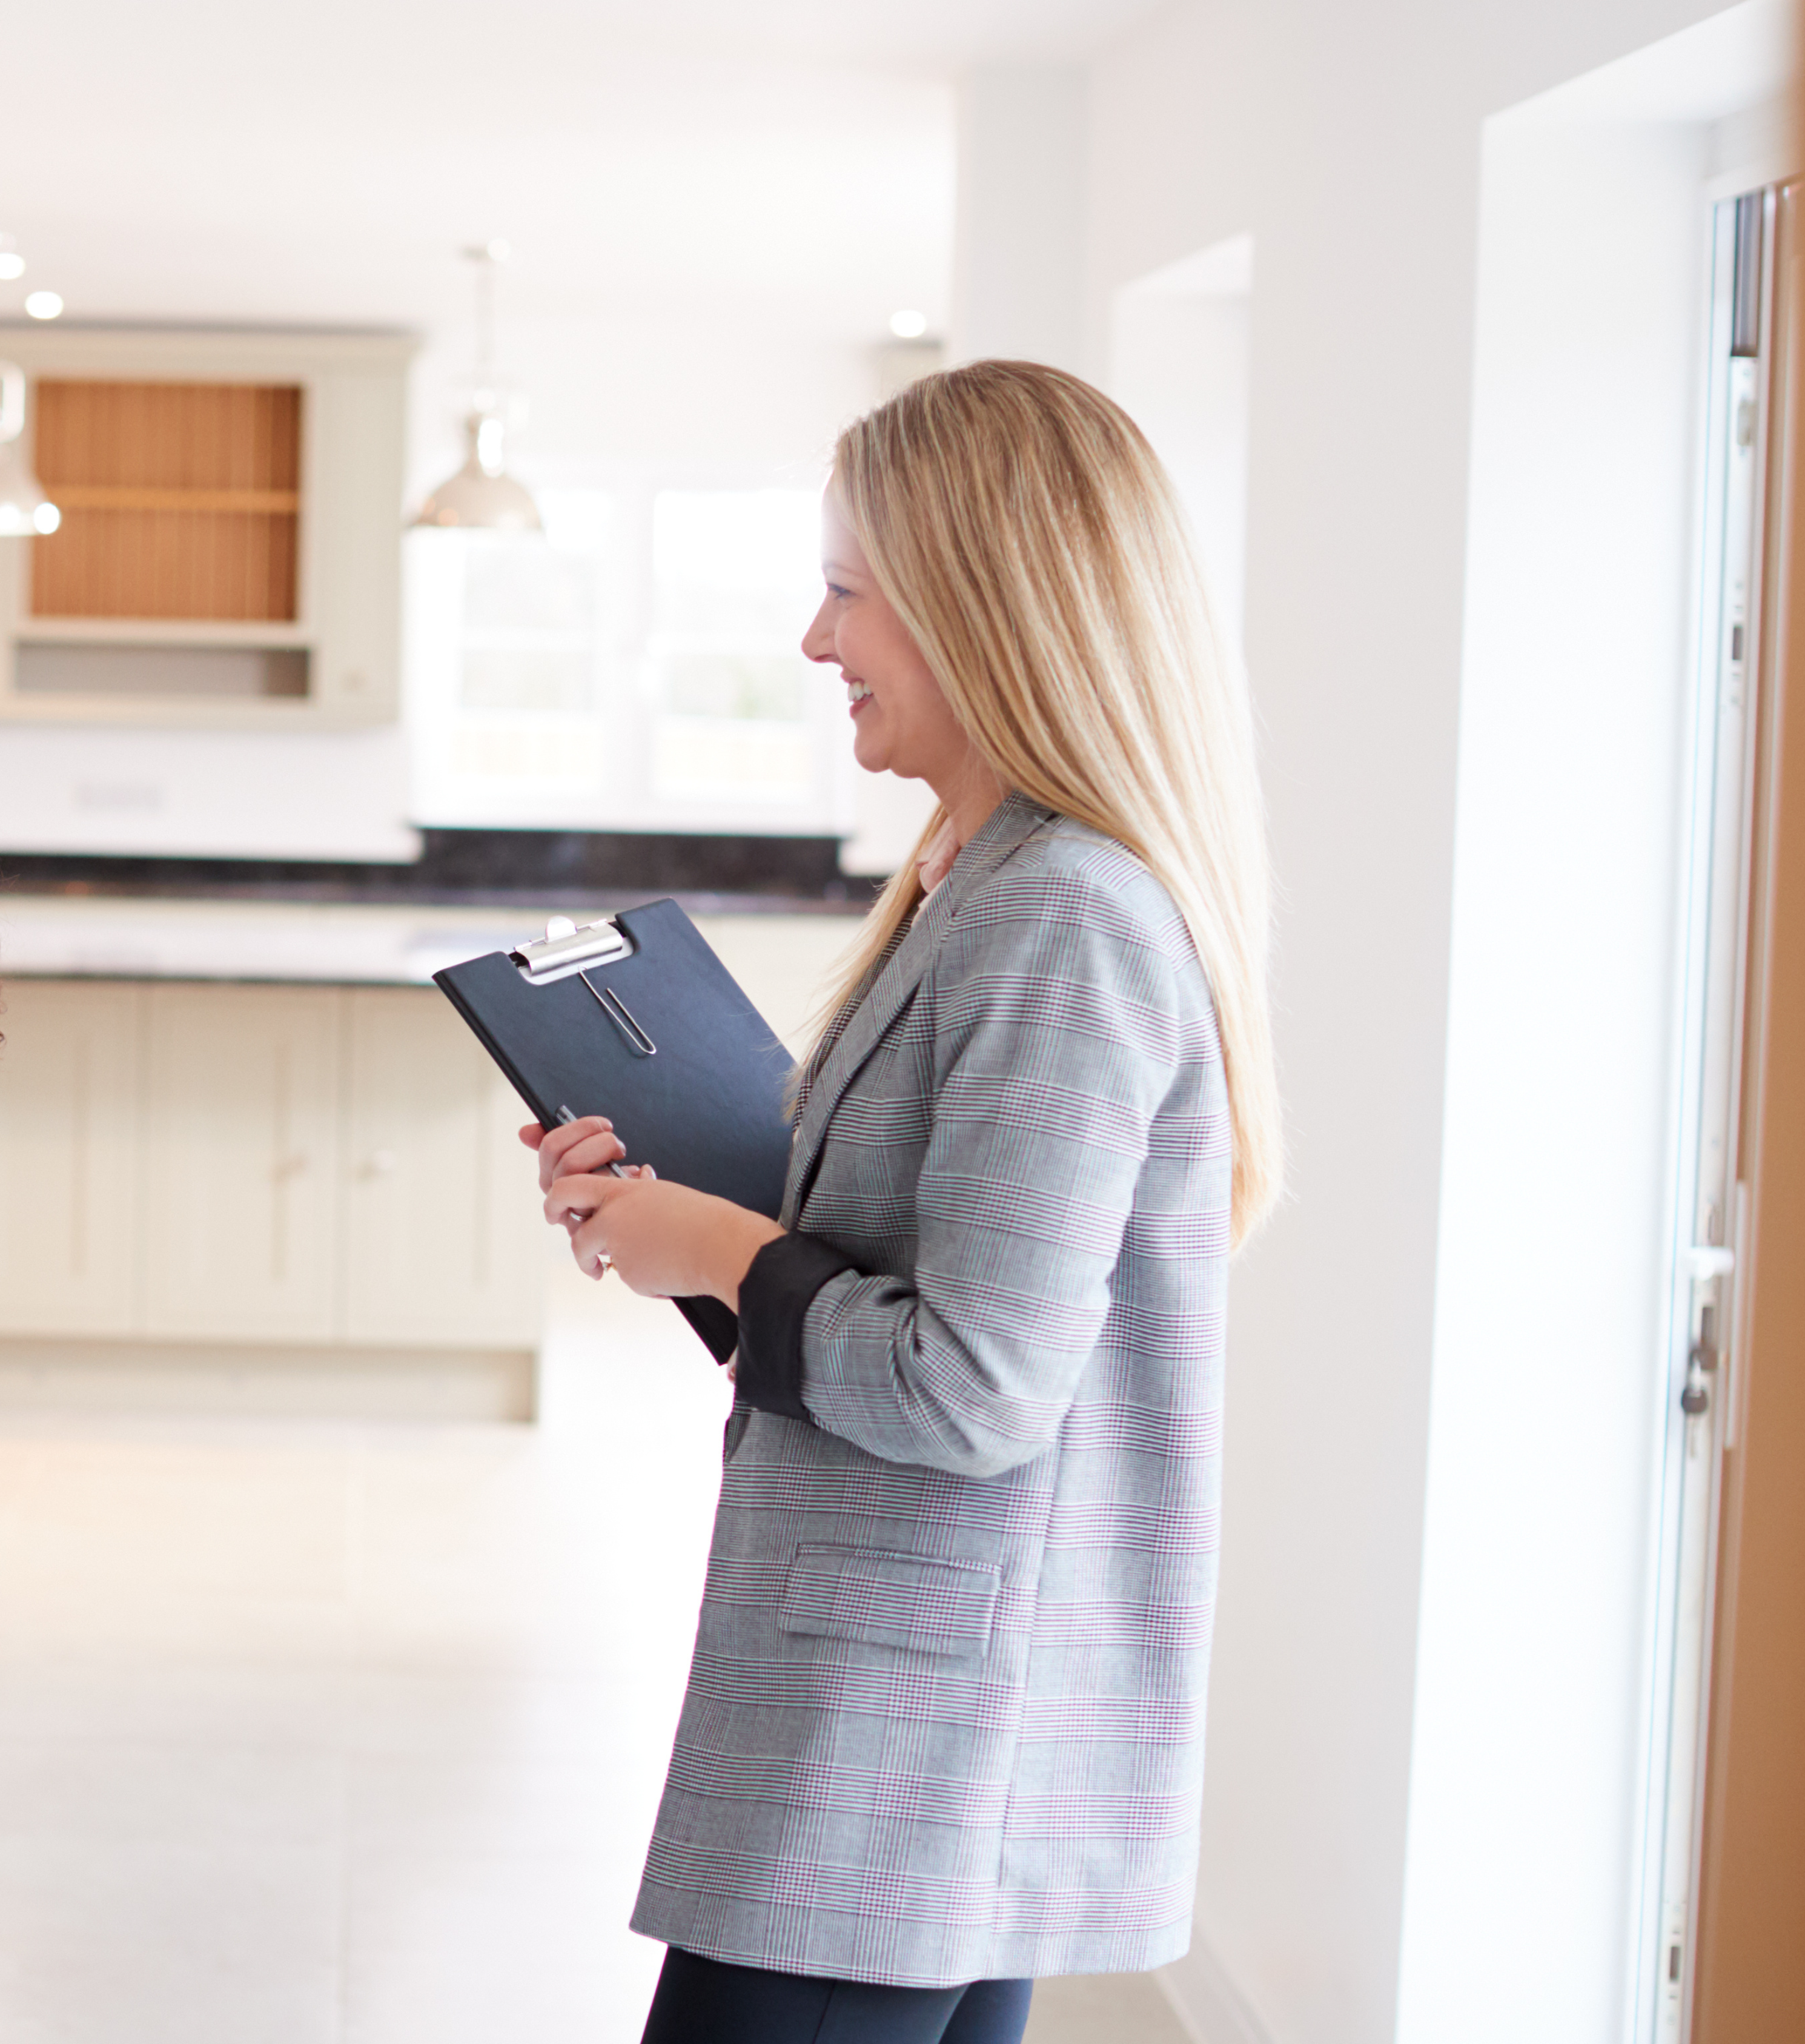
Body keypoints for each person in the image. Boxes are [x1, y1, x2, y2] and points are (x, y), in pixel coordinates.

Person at [534, 359, 1282, 2044]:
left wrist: (716, 1242)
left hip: (904, 1738)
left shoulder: (1062, 914)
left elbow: (975, 1382)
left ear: (987, 608)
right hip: (906, 1724)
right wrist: (675, 1234)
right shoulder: (984, 879)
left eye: (848, 593)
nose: (814, 642)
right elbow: (888, 1297)